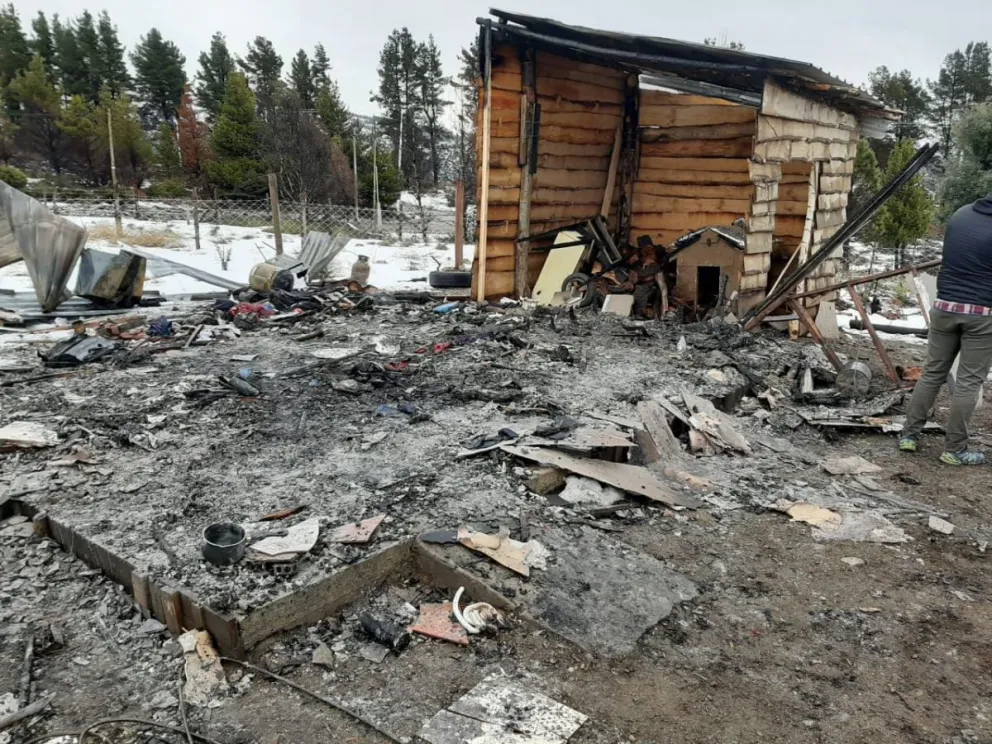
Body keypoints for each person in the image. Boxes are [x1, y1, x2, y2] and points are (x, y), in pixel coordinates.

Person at [899, 195, 992, 465]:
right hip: (982, 315)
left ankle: (909, 435)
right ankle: (954, 450)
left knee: (932, 375)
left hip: (943, 308)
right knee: (968, 382)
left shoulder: (961, 214)